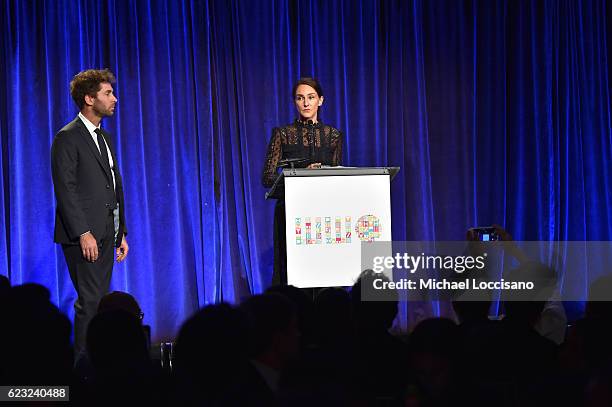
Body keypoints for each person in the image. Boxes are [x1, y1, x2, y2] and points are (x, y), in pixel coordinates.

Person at [51, 69, 129, 358]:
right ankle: (83, 371)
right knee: (91, 302)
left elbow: (113, 186)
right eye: (108, 94)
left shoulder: (104, 138)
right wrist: (84, 232)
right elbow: (66, 189)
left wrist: (122, 232)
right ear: (88, 98)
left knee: (99, 302)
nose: (115, 99)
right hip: (85, 235)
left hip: (108, 232)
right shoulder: (67, 138)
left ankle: (97, 366)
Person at [262, 77, 343, 285]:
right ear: (295, 102)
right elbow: (268, 178)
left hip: (323, 214)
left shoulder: (333, 135)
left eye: (311, 97)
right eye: (300, 98)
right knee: (292, 277)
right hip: (291, 213)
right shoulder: (283, 134)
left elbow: (337, 178)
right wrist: (301, 175)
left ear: (321, 101)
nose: (306, 103)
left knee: (323, 275)